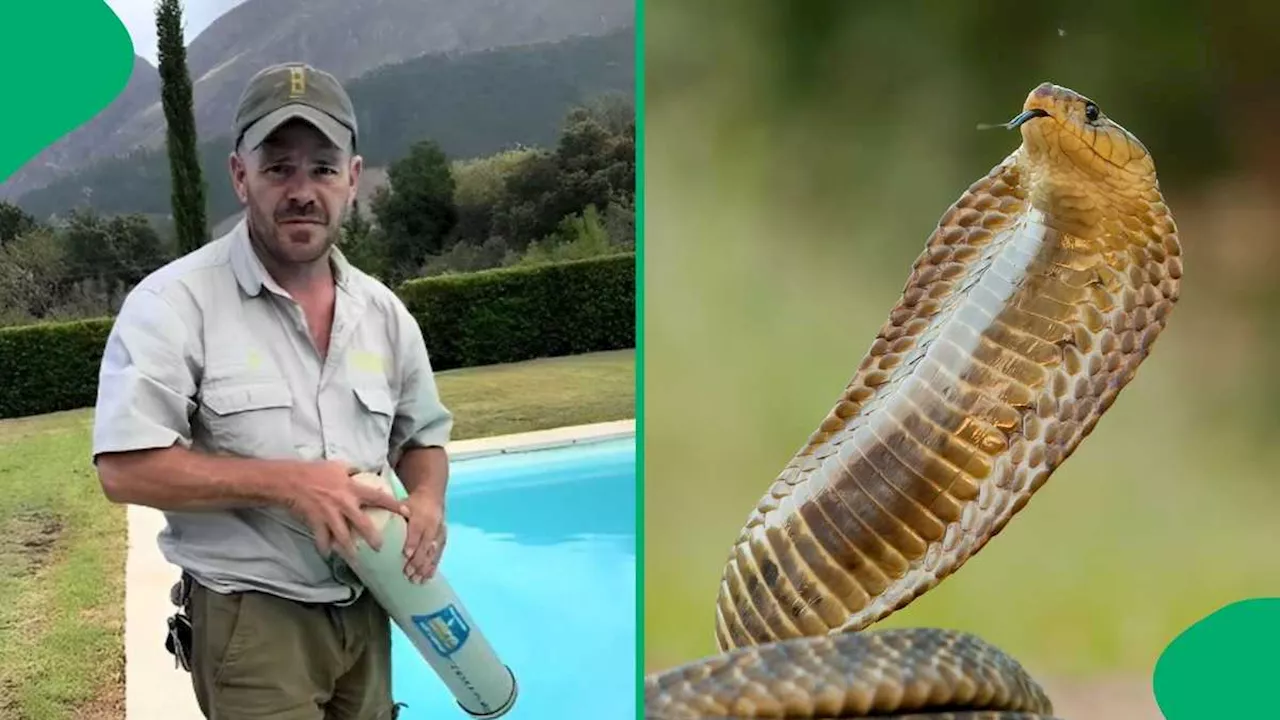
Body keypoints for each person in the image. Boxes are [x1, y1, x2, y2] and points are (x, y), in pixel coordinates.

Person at [91, 61, 453, 720]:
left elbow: (421, 436)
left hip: (371, 609)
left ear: (351, 177)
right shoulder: (173, 305)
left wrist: (427, 497)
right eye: (278, 167)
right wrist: (289, 482)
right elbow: (123, 469)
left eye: (321, 167)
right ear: (240, 176)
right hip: (254, 621)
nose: (301, 190)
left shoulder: (383, 314)